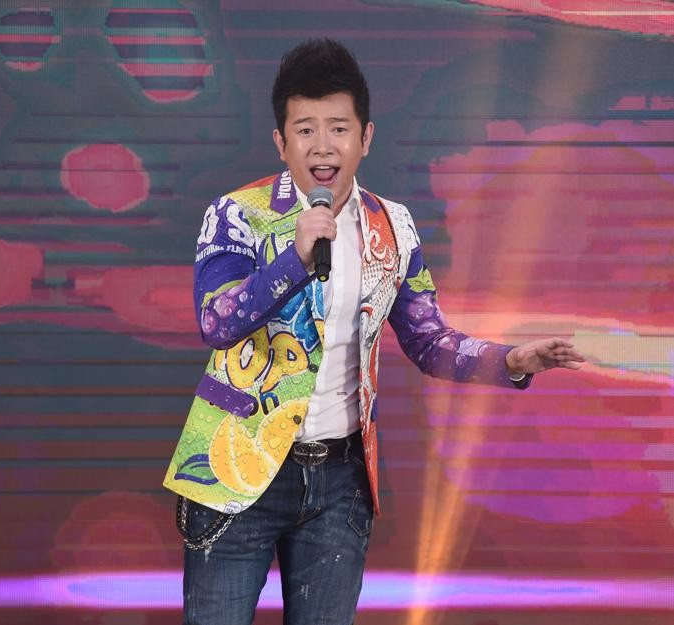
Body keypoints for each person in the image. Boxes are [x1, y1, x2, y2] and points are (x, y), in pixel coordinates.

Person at [163, 38, 585, 625]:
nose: (322, 145)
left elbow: (429, 342)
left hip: (340, 482)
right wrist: (294, 259)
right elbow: (216, 321)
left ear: (365, 138)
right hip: (235, 470)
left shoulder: (394, 226)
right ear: (281, 142)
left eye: (338, 128)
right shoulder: (238, 214)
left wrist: (513, 360)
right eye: (305, 129)